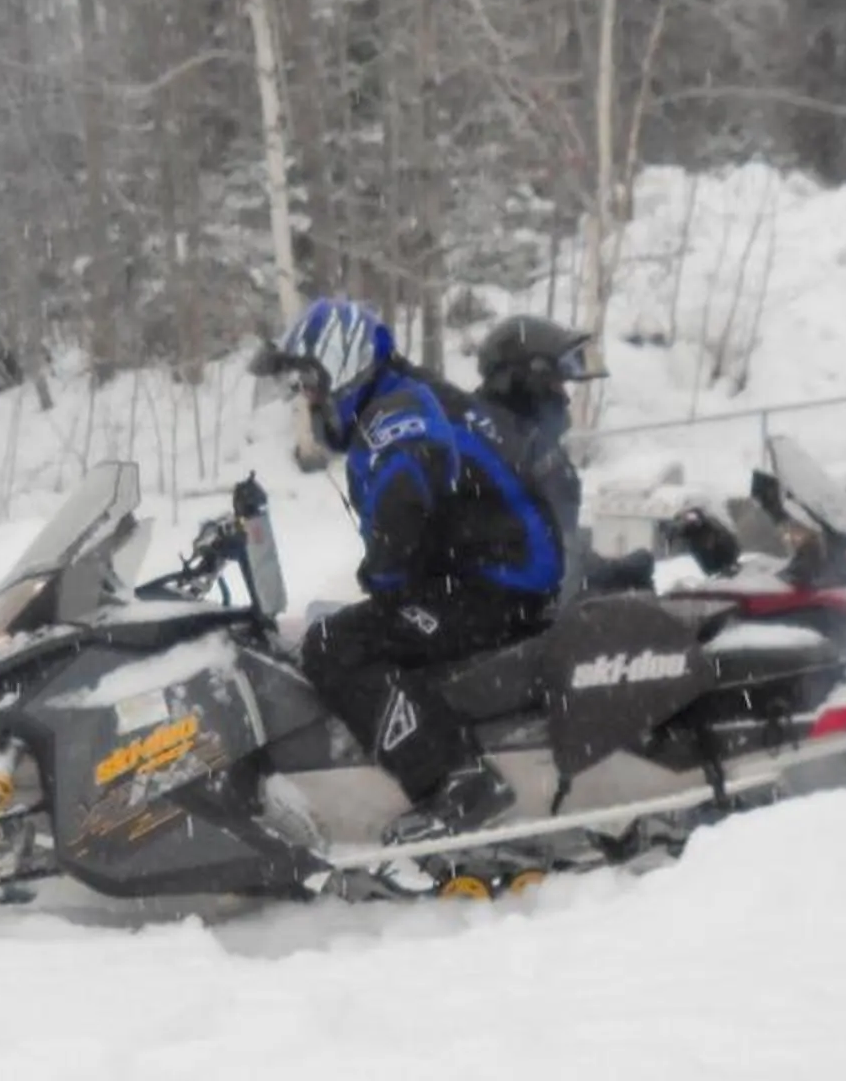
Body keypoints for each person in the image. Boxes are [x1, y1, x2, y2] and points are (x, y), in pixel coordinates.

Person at [265, 296, 565, 844]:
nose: (308, 399)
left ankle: (459, 782)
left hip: (499, 582)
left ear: (343, 363)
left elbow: (405, 504)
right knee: (344, 624)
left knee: (334, 644)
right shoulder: (405, 397)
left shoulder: (396, 413)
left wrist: (384, 583)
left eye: (311, 383)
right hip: (497, 572)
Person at [473, 314, 656, 597]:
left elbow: (557, 543)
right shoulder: (504, 451)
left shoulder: (523, 441)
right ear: (530, 382)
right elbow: (535, 565)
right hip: (512, 621)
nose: (566, 398)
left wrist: (608, 572)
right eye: (558, 385)